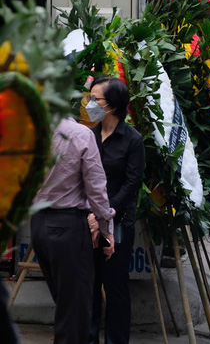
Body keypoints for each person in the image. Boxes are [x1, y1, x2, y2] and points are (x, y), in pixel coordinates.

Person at [31, 115, 116, 344]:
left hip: (39, 225)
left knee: (66, 305)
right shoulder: (81, 134)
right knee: (74, 312)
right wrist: (107, 229)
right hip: (68, 226)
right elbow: (97, 188)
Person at [89, 77, 146, 344]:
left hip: (117, 222)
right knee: (88, 285)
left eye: (95, 100)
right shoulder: (88, 135)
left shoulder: (132, 140)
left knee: (115, 287)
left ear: (112, 105)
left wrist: (104, 214)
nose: (89, 104)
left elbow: (131, 184)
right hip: (87, 222)